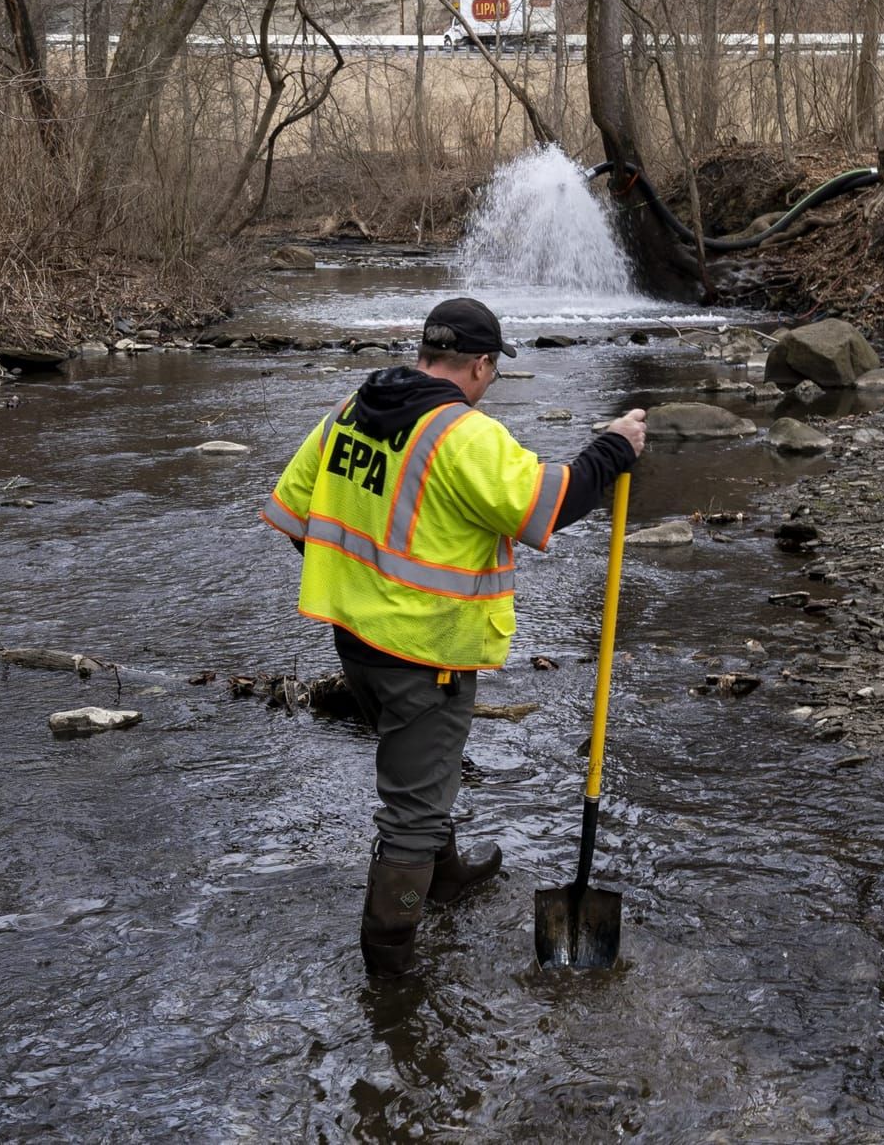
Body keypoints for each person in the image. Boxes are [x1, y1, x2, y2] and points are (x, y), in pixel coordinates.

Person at [261, 297, 647, 977]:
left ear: (426, 351)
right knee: (410, 814)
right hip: (424, 657)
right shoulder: (462, 436)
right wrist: (615, 447)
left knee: (424, 781)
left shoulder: (354, 408)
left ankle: (446, 880)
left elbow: (294, 515)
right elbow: (549, 505)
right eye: (492, 371)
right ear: (480, 364)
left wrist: (366, 591)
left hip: (355, 642)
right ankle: (390, 970)